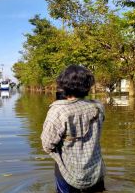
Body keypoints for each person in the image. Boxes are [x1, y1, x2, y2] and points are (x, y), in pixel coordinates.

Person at [41, 65, 106, 193]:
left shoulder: (58, 111)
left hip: (68, 173)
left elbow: (47, 145)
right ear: (88, 85)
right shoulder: (98, 107)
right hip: (96, 171)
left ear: (63, 85)